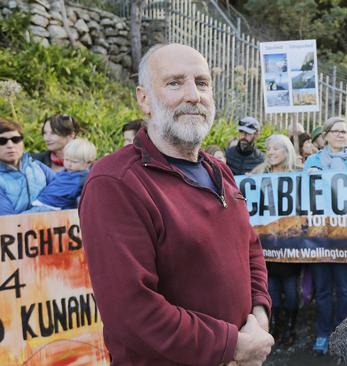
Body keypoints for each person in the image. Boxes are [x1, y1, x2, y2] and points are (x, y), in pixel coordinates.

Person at [78, 43, 273, 366]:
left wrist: (259, 316)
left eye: (202, 83)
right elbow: (132, 312)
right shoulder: (115, 183)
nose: (193, 95)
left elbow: (250, 247)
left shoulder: (219, 170)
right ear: (144, 99)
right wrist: (231, 346)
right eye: (174, 82)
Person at [303, 116, 347, 354]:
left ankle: (345, 336)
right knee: (324, 289)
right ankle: (323, 333)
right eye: (335, 131)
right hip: (319, 235)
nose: (340, 135)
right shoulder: (312, 160)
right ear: (325, 135)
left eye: (344, 131)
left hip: (345, 235)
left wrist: (326, 175)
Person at [252, 134, 301, 347]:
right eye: (268, 149)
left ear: (286, 152)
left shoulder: (298, 177)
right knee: (271, 291)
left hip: (290, 245)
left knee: (291, 292)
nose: (270, 152)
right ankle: (276, 328)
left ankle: (290, 327)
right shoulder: (255, 176)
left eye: (276, 149)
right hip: (265, 247)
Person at [0, 117, 54, 215]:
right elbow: (8, 221)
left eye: (15, 139)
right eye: (2, 141)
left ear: (22, 143)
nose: (10, 145)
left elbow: (64, 192)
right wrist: (46, 207)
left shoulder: (38, 166)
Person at [32, 138, 96, 210]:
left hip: (53, 208)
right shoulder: (66, 171)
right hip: (43, 201)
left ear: (88, 163)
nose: (69, 164)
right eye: (66, 160)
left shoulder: (84, 178)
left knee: (21, 219)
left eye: (74, 162)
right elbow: (55, 179)